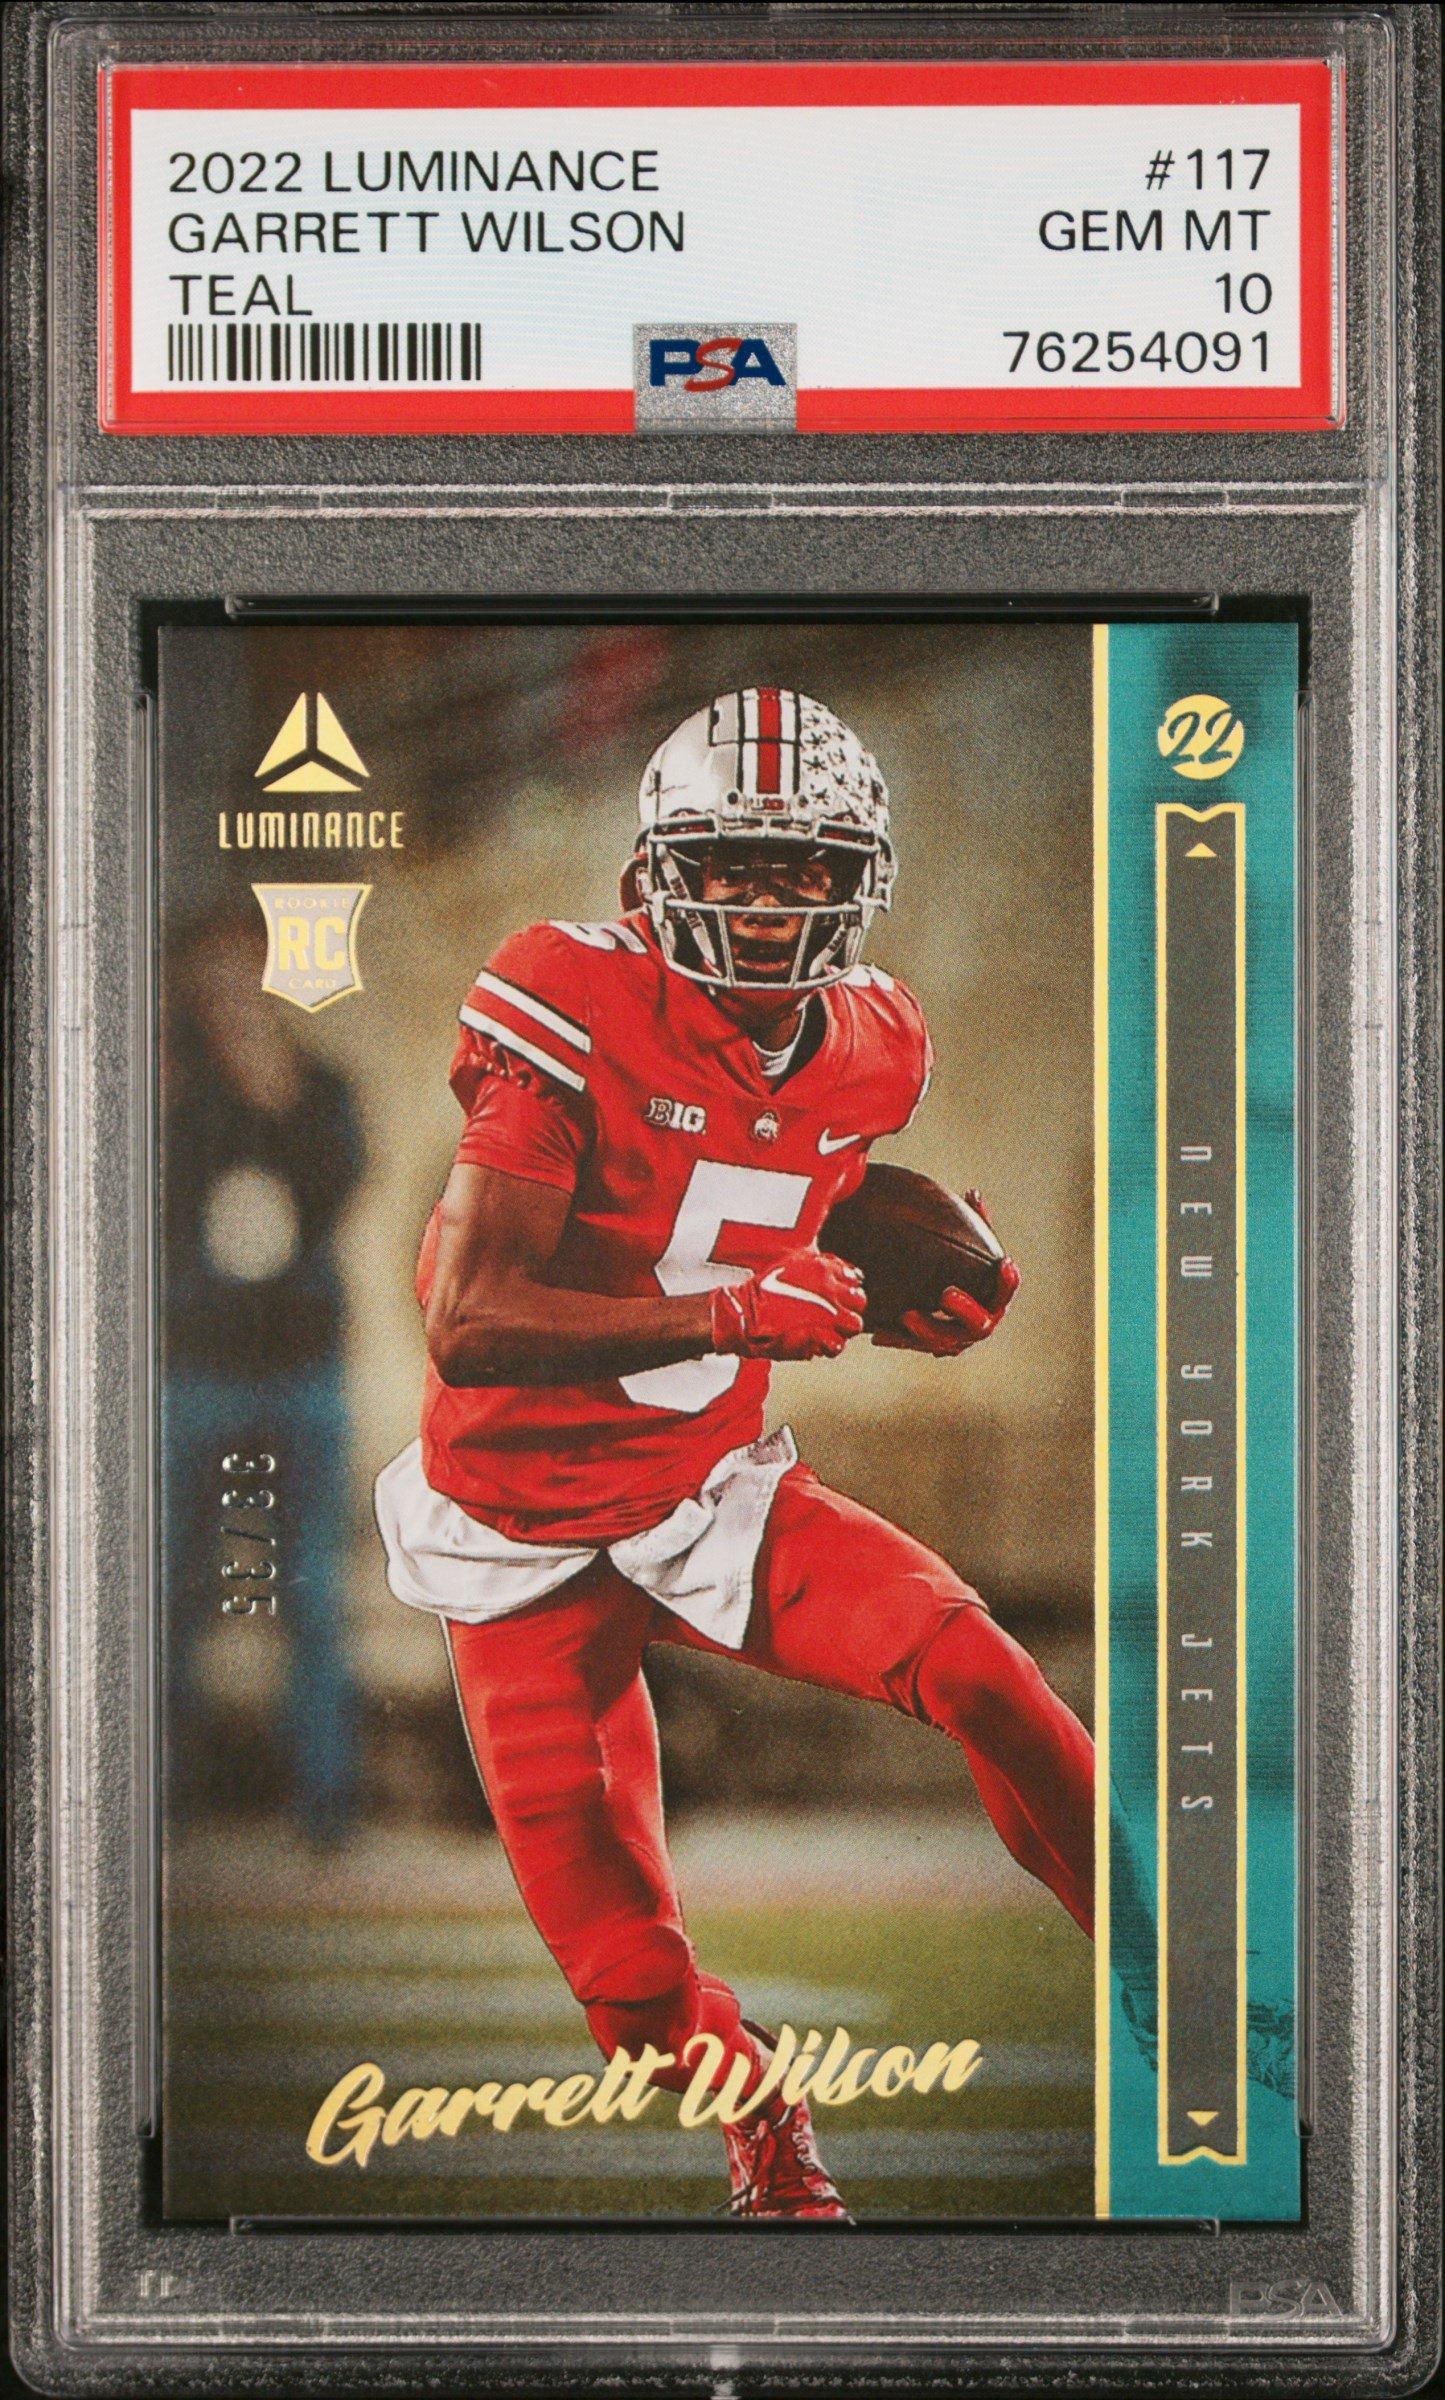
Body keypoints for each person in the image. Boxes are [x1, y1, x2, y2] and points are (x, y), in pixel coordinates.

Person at [375, 689, 1094, 2218]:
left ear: (858, 880)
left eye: (802, 867)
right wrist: (730, 1310)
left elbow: (778, 1185)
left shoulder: (878, 1045)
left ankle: (1177, 1978)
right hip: (517, 1533)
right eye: (731, 865)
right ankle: (761, 2114)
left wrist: (911, 1289)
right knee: (635, 2007)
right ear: (653, 874)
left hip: (707, 1488)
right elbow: (472, 1322)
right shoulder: (563, 995)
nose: (767, 903)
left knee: (983, 1672)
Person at [164, 907, 364, 1846]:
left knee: (310, 1590)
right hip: (195, 1372)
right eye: (210, 974)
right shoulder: (168, 1087)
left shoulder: (319, 1086)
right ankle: (161, 1797)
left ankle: (326, 1804)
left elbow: (337, 1186)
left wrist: (270, 1082)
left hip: (299, 1372)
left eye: (242, 971)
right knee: (173, 1584)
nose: (227, 993)